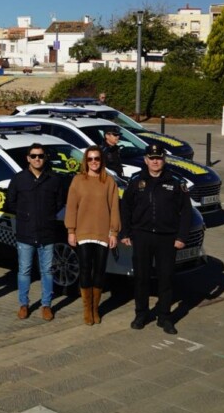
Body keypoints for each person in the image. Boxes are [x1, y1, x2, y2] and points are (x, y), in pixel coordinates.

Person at [120, 142, 193, 335]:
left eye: (158, 158)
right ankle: (141, 314)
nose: (155, 161)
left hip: (167, 238)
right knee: (141, 278)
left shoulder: (176, 181)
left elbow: (186, 212)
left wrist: (181, 237)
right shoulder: (136, 181)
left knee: (166, 278)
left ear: (164, 160)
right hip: (142, 236)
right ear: (146, 160)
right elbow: (125, 208)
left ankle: (165, 317)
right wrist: (125, 233)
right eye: (151, 158)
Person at [6, 143, 66, 321]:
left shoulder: (53, 179)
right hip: (26, 232)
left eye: (40, 156)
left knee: (47, 271)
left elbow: (59, 201)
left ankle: (46, 305)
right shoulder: (19, 179)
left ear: (44, 157)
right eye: (34, 156)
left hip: (46, 232)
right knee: (24, 271)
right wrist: (26, 215)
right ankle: (23, 304)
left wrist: (46, 215)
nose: (37, 159)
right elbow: (11, 202)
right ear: (28, 158)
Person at [65, 145, 121, 325]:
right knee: (85, 270)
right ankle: (86, 310)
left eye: (97, 158)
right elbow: (71, 207)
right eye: (90, 159)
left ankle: (95, 308)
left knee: (99, 271)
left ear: (102, 161)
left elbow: (114, 208)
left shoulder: (109, 181)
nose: (94, 162)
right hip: (82, 232)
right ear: (85, 161)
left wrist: (114, 232)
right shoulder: (78, 180)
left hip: (103, 233)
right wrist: (71, 231)